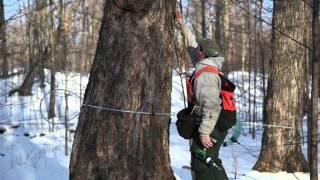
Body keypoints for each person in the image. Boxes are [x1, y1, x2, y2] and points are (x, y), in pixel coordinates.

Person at [175, 12, 230, 180]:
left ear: (203, 53)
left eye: (199, 48)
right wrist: (181, 25)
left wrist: (205, 132)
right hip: (217, 122)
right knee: (209, 160)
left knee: (202, 162)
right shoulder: (208, 64)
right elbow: (192, 44)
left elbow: (211, 105)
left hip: (212, 123)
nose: (196, 49)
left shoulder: (206, 75)